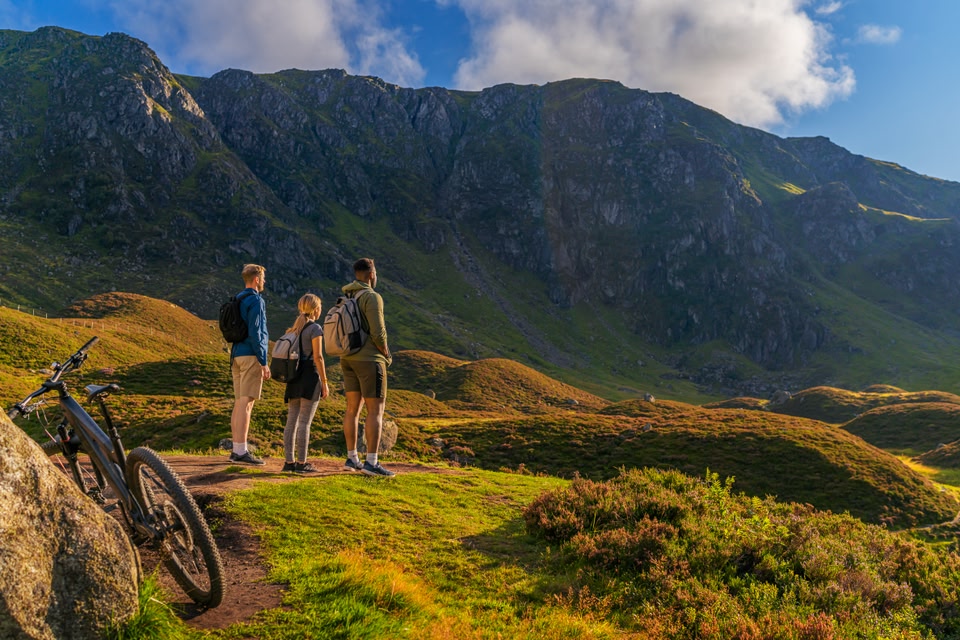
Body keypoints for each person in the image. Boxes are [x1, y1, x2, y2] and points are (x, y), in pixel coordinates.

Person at [340, 258, 394, 477]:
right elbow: (378, 333)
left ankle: (352, 458)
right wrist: (387, 354)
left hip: (347, 358)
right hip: (369, 359)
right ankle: (372, 461)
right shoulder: (372, 297)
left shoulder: (346, 297)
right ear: (372, 274)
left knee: (352, 409)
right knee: (376, 409)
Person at [281, 293, 329, 473]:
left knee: (291, 421)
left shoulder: (294, 329)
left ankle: (289, 463)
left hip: (294, 377)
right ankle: (302, 463)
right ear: (316, 309)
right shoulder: (315, 328)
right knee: (305, 423)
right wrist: (324, 381)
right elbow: (318, 356)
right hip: (310, 375)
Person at [229, 263, 269, 465]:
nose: (263, 282)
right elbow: (256, 332)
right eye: (262, 278)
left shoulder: (238, 298)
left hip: (236, 354)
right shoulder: (255, 300)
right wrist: (263, 360)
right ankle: (241, 451)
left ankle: (236, 448)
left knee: (239, 402)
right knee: (247, 404)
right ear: (256, 279)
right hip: (251, 355)